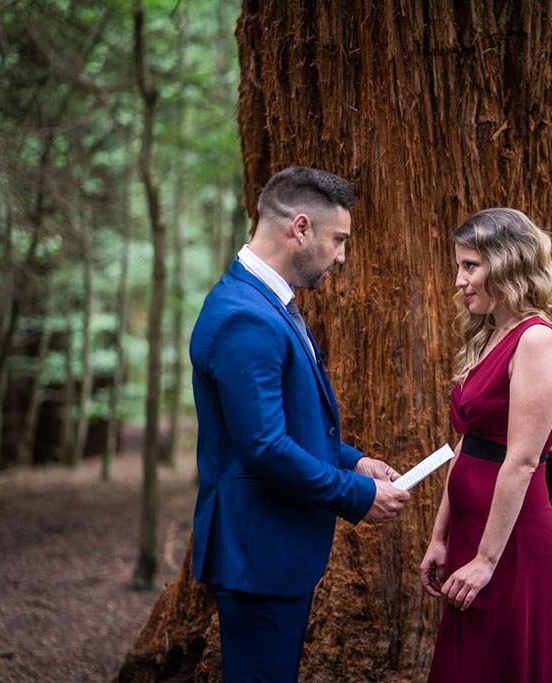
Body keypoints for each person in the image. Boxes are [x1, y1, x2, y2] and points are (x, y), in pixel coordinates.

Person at [190, 166, 410, 683]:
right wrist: (356, 494)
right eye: (339, 240)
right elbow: (263, 448)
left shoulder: (269, 302)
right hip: (256, 553)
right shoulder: (246, 316)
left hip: (271, 550)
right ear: (301, 228)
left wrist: (354, 459)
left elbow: (283, 424)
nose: (341, 256)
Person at [419, 208, 552, 683]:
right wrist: (440, 536)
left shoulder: (535, 340)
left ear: (508, 263)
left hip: (511, 543)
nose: (458, 281)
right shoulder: (490, 335)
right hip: (473, 533)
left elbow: (523, 460)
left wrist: (486, 561)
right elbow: (467, 447)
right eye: (459, 266)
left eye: (470, 266)